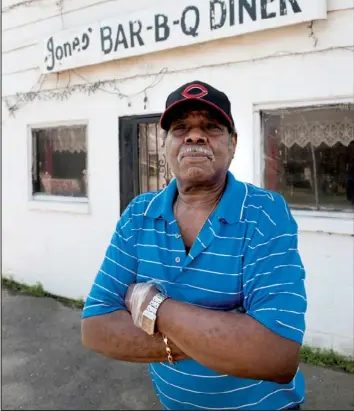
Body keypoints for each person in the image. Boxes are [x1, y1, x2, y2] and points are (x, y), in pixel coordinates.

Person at [81, 81, 307, 410]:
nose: (195, 136)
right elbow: (95, 327)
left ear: (233, 144)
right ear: (166, 144)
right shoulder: (137, 216)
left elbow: (276, 355)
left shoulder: (265, 214)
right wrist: (227, 331)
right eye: (181, 127)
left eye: (211, 127)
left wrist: (150, 305)